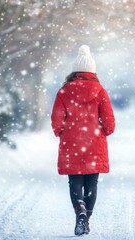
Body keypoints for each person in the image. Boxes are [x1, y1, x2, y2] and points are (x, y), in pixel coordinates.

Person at [51, 45, 115, 236]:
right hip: (95, 144)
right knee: (92, 184)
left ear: (74, 72)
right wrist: (100, 131)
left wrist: (63, 132)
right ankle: (85, 218)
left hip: (72, 144)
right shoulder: (100, 91)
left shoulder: (64, 91)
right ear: (92, 72)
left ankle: (79, 211)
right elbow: (110, 123)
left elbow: (56, 120)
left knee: (75, 182)